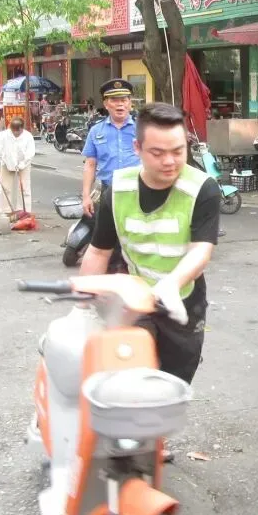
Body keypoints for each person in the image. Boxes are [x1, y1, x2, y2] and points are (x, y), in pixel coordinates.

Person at [79, 103, 221, 384]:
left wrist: (170, 284)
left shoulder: (202, 188)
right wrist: (80, 307)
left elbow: (201, 249)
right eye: (158, 153)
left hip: (183, 303)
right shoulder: (118, 190)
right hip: (134, 301)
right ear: (138, 148)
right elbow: (98, 251)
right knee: (129, 382)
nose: (169, 161)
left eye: (178, 151)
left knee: (169, 390)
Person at [81, 78, 140, 217]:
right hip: (108, 192)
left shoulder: (143, 129)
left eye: (124, 100)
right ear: (106, 104)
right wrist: (86, 196)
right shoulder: (96, 131)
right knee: (105, 235)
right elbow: (90, 165)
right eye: (114, 100)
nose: (120, 105)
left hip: (137, 191)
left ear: (130, 104)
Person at [0, 117, 36, 214]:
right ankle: (5, 211)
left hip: (24, 163)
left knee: (24, 188)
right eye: (13, 131)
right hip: (7, 162)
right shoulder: (4, 135)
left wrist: (23, 163)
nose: (15, 134)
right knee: (5, 188)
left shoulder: (28, 136)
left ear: (22, 128)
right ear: (10, 128)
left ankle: (24, 211)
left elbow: (30, 152)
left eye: (17, 132)